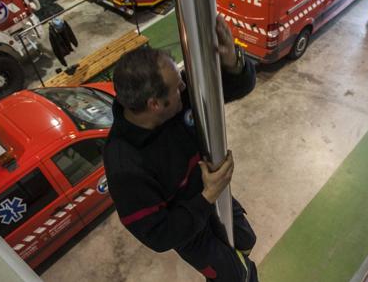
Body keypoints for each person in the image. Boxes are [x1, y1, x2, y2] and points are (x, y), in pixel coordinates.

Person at [104, 15, 259, 282]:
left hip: (215, 197)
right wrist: (207, 195)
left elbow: (239, 86)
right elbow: (159, 235)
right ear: (155, 104)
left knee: (247, 240)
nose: (186, 86)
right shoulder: (125, 165)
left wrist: (231, 60)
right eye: (178, 87)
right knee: (237, 277)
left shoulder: (174, 101)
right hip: (189, 227)